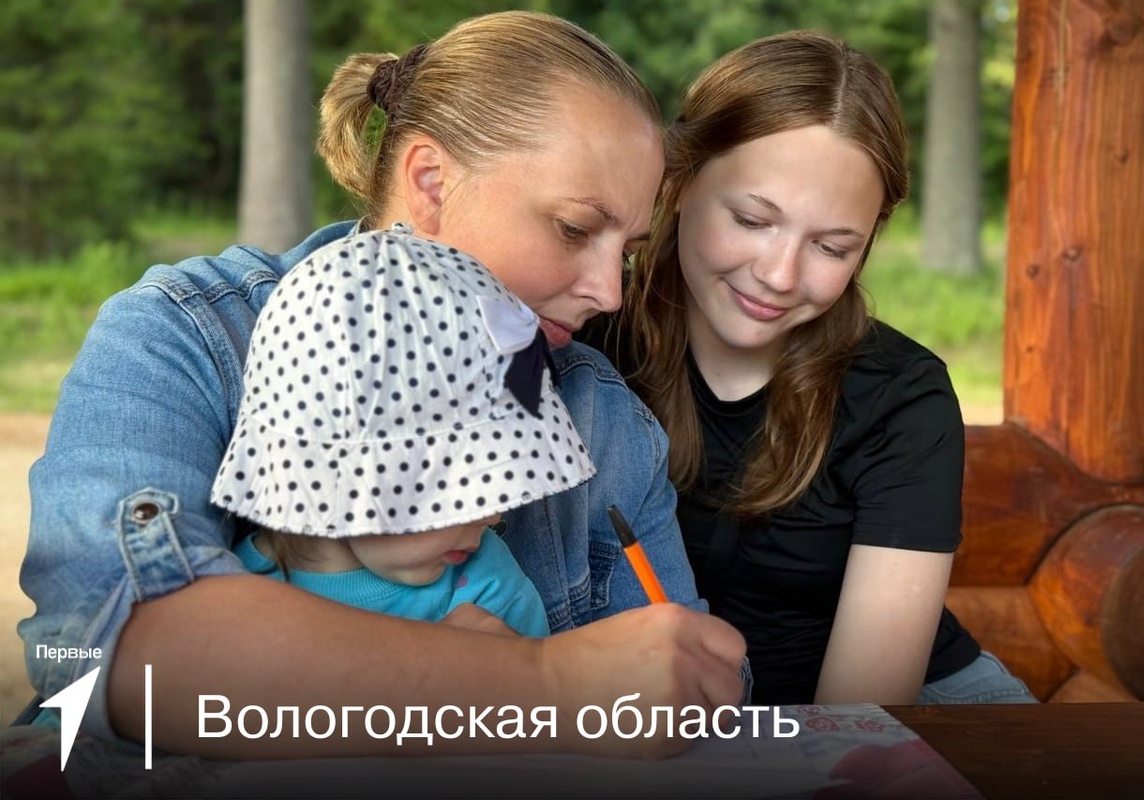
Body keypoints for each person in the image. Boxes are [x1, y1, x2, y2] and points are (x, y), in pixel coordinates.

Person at [18, 10, 745, 762]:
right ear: (430, 182)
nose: (609, 292)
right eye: (572, 228)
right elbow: (110, 652)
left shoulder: (605, 419)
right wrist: (541, 684)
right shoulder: (186, 335)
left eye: (627, 252)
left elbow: (685, 699)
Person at [584, 30, 1035, 706]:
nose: (779, 275)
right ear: (677, 183)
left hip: (902, 713)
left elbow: (862, 714)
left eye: (831, 246)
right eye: (752, 219)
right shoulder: (587, 329)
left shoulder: (903, 396)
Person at [217, 225, 603, 638]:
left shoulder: (487, 591)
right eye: (459, 476)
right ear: (333, 469)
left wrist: (509, 667)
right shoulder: (231, 599)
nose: (494, 513)